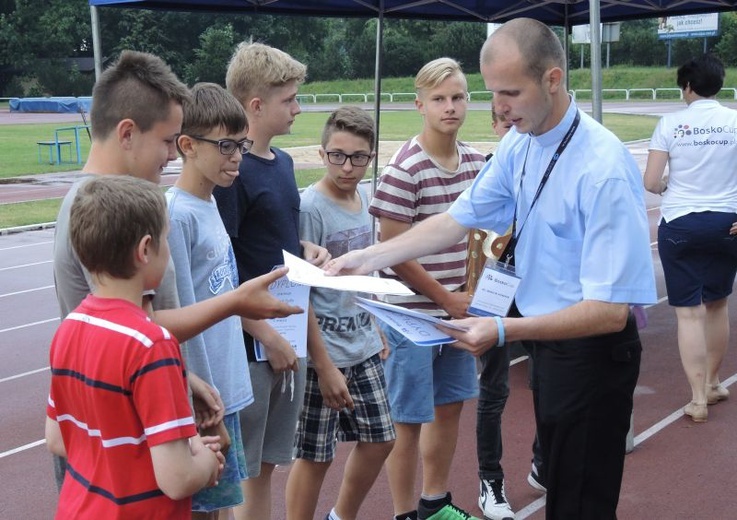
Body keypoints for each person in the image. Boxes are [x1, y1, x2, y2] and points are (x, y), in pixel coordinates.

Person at [325, 18, 656, 520]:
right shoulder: (521, 144)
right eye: (491, 92)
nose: (497, 108)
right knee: (561, 487)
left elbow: (610, 313)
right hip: (548, 343)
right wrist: (365, 259)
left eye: (509, 92)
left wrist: (501, 329)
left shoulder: (603, 169)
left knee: (581, 500)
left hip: (591, 352)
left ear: (553, 79)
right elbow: (456, 219)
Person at [51, 50, 302, 492]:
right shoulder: (100, 209)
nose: (173, 154)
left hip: (138, 422)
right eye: (168, 141)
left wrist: (184, 378)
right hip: (125, 441)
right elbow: (132, 334)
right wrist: (237, 302)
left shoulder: (116, 200)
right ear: (127, 133)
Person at [212, 41, 351, 520]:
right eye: (289, 100)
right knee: (242, 472)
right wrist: (263, 333)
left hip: (287, 332)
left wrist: (304, 250)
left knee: (269, 465)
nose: (297, 108)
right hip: (251, 340)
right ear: (256, 105)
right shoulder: (232, 172)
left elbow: (278, 244)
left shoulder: (285, 164)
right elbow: (223, 269)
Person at [45, 175, 224, 519]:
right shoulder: (151, 344)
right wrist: (204, 460)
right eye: (166, 240)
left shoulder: (68, 328)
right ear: (145, 250)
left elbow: (58, 439)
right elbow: (177, 478)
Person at [368, 57, 485, 520]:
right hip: (410, 316)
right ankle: (403, 513)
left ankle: (434, 502)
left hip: (456, 312)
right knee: (408, 420)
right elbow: (392, 250)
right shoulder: (405, 167)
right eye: (439, 99)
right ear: (420, 104)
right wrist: (447, 299)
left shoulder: (477, 161)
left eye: (457, 97)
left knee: (451, 407)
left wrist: (474, 299)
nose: (450, 107)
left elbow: (484, 239)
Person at [285, 106, 396, 520]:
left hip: (362, 342)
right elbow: (300, 292)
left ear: (371, 157)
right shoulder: (310, 207)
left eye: (359, 157)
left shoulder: (366, 198)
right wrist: (324, 365)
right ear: (322, 153)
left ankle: (341, 516)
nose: (347, 166)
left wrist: (377, 320)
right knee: (315, 455)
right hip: (324, 353)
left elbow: (366, 271)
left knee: (382, 439)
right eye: (337, 155)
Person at [166, 83, 256, 518]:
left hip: (225, 391)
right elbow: (181, 313)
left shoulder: (210, 202)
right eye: (225, 145)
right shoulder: (177, 214)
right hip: (204, 398)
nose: (236, 156)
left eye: (241, 144)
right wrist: (201, 397)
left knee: (219, 509)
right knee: (202, 509)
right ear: (187, 145)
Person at [643, 53, 737, 423]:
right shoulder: (735, 120)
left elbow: (650, 182)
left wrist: (667, 184)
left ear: (687, 86)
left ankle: (697, 399)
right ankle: (714, 383)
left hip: (681, 223)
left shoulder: (670, 124)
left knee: (688, 314)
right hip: (727, 225)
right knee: (717, 305)